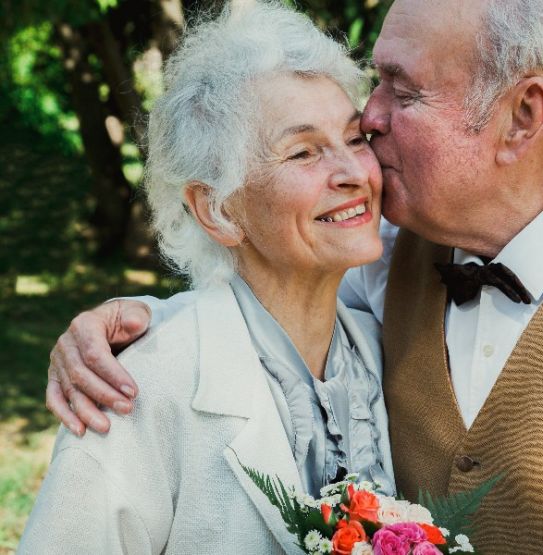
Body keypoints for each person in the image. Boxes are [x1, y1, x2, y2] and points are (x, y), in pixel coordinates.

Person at [46, 0, 543, 552]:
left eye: (401, 92)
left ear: (522, 116)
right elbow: (254, 293)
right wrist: (128, 326)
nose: (369, 124)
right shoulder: (383, 261)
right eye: (374, 84)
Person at [20, 2, 396, 553]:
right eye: (303, 152)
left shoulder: (382, 348)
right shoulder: (137, 390)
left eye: (355, 138)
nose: (354, 174)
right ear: (217, 209)